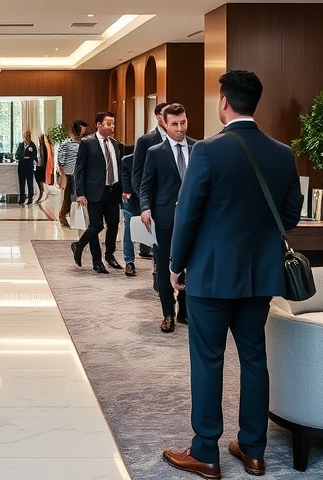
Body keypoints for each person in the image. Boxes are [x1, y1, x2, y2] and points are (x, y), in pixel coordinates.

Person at [162, 71, 301, 479]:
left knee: (208, 361)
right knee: (254, 359)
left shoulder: (207, 151)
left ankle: (206, 452)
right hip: (259, 276)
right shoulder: (282, 153)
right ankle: (253, 450)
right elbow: (289, 216)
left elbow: (186, 217)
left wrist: (175, 265)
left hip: (210, 276)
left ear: (224, 102)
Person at [139, 103, 196, 332]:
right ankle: (167, 314)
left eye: (183, 122)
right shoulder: (155, 153)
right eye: (174, 124)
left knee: (190, 267)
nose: (180, 128)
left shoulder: (198, 148)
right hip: (164, 219)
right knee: (164, 268)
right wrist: (145, 208)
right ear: (164, 123)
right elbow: (145, 186)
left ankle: (184, 311)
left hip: (193, 220)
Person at [71, 112, 123, 274]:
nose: (112, 127)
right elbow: (79, 169)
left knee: (113, 223)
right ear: (98, 125)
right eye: (108, 124)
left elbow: (119, 168)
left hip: (113, 190)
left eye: (113, 124)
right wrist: (80, 193)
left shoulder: (115, 144)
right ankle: (96, 260)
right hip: (94, 191)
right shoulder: (87, 143)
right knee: (96, 225)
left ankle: (109, 255)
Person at [131, 102, 169, 259]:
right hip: (152, 196)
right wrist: (144, 201)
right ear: (159, 117)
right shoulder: (146, 141)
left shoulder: (185, 141)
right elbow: (137, 173)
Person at [55, 120, 87, 228]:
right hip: (70, 172)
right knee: (71, 195)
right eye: (80, 132)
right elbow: (60, 160)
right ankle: (64, 215)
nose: (81, 135)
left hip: (81, 173)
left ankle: (65, 215)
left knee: (71, 195)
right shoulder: (66, 144)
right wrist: (62, 173)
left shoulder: (84, 143)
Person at [119, 153, 138, 277]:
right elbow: (125, 181)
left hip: (153, 200)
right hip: (132, 199)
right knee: (129, 229)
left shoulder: (157, 157)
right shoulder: (128, 160)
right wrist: (128, 194)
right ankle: (129, 261)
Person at [15, 129, 36, 205]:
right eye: (26, 135)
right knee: (22, 182)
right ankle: (22, 198)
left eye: (28, 135)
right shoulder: (21, 145)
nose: (27, 137)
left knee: (30, 183)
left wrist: (29, 158)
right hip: (21, 166)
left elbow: (34, 156)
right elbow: (17, 155)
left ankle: (30, 197)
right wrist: (23, 157)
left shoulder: (32, 145)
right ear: (24, 136)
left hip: (29, 167)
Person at [35, 133, 48, 203]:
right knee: (39, 182)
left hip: (41, 166)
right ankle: (41, 193)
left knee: (40, 181)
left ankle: (41, 194)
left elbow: (42, 157)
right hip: (39, 165)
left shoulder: (43, 147)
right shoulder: (41, 146)